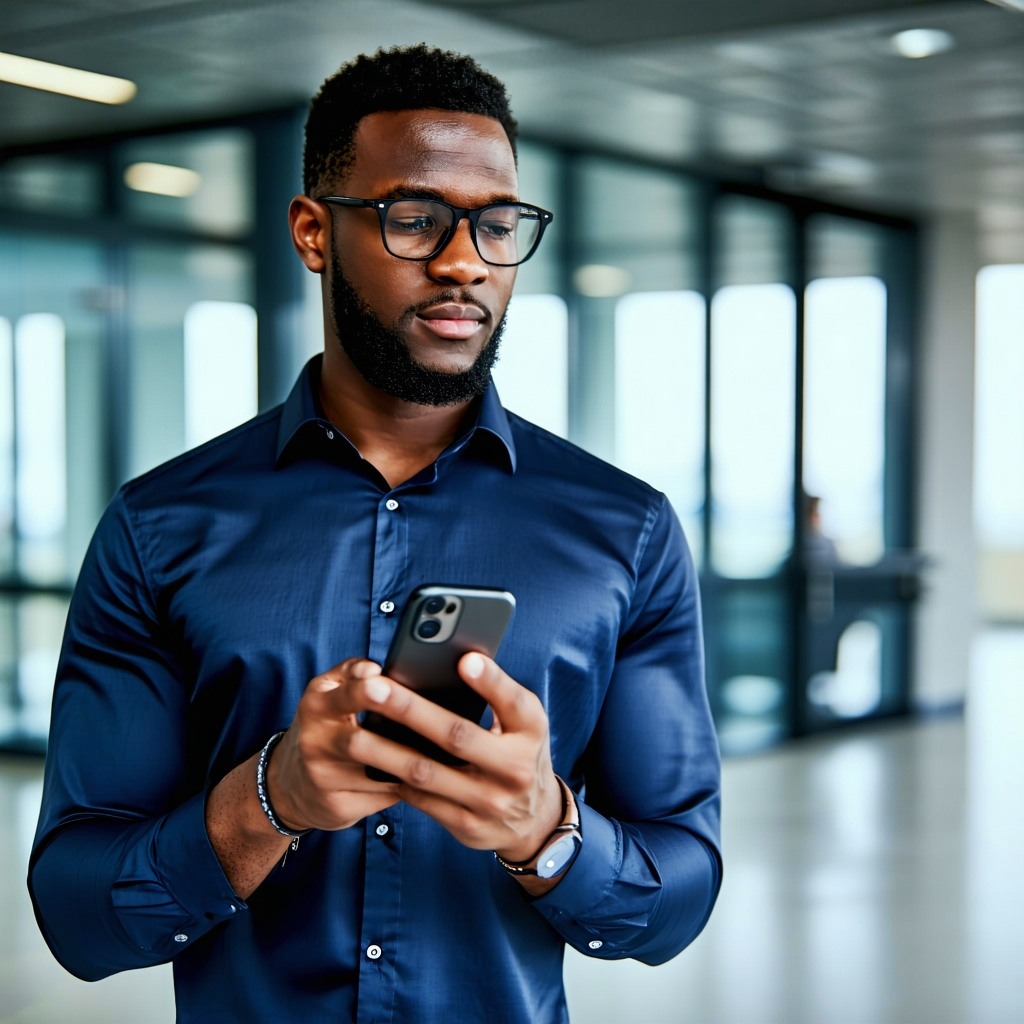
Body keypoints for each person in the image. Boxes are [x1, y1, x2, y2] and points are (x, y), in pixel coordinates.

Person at [29, 45, 721, 1023]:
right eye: (415, 218)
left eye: (496, 224)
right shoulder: (159, 528)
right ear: (314, 231)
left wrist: (542, 827)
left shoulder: (626, 531)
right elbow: (78, 915)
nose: (464, 259)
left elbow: (675, 895)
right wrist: (270, 797)